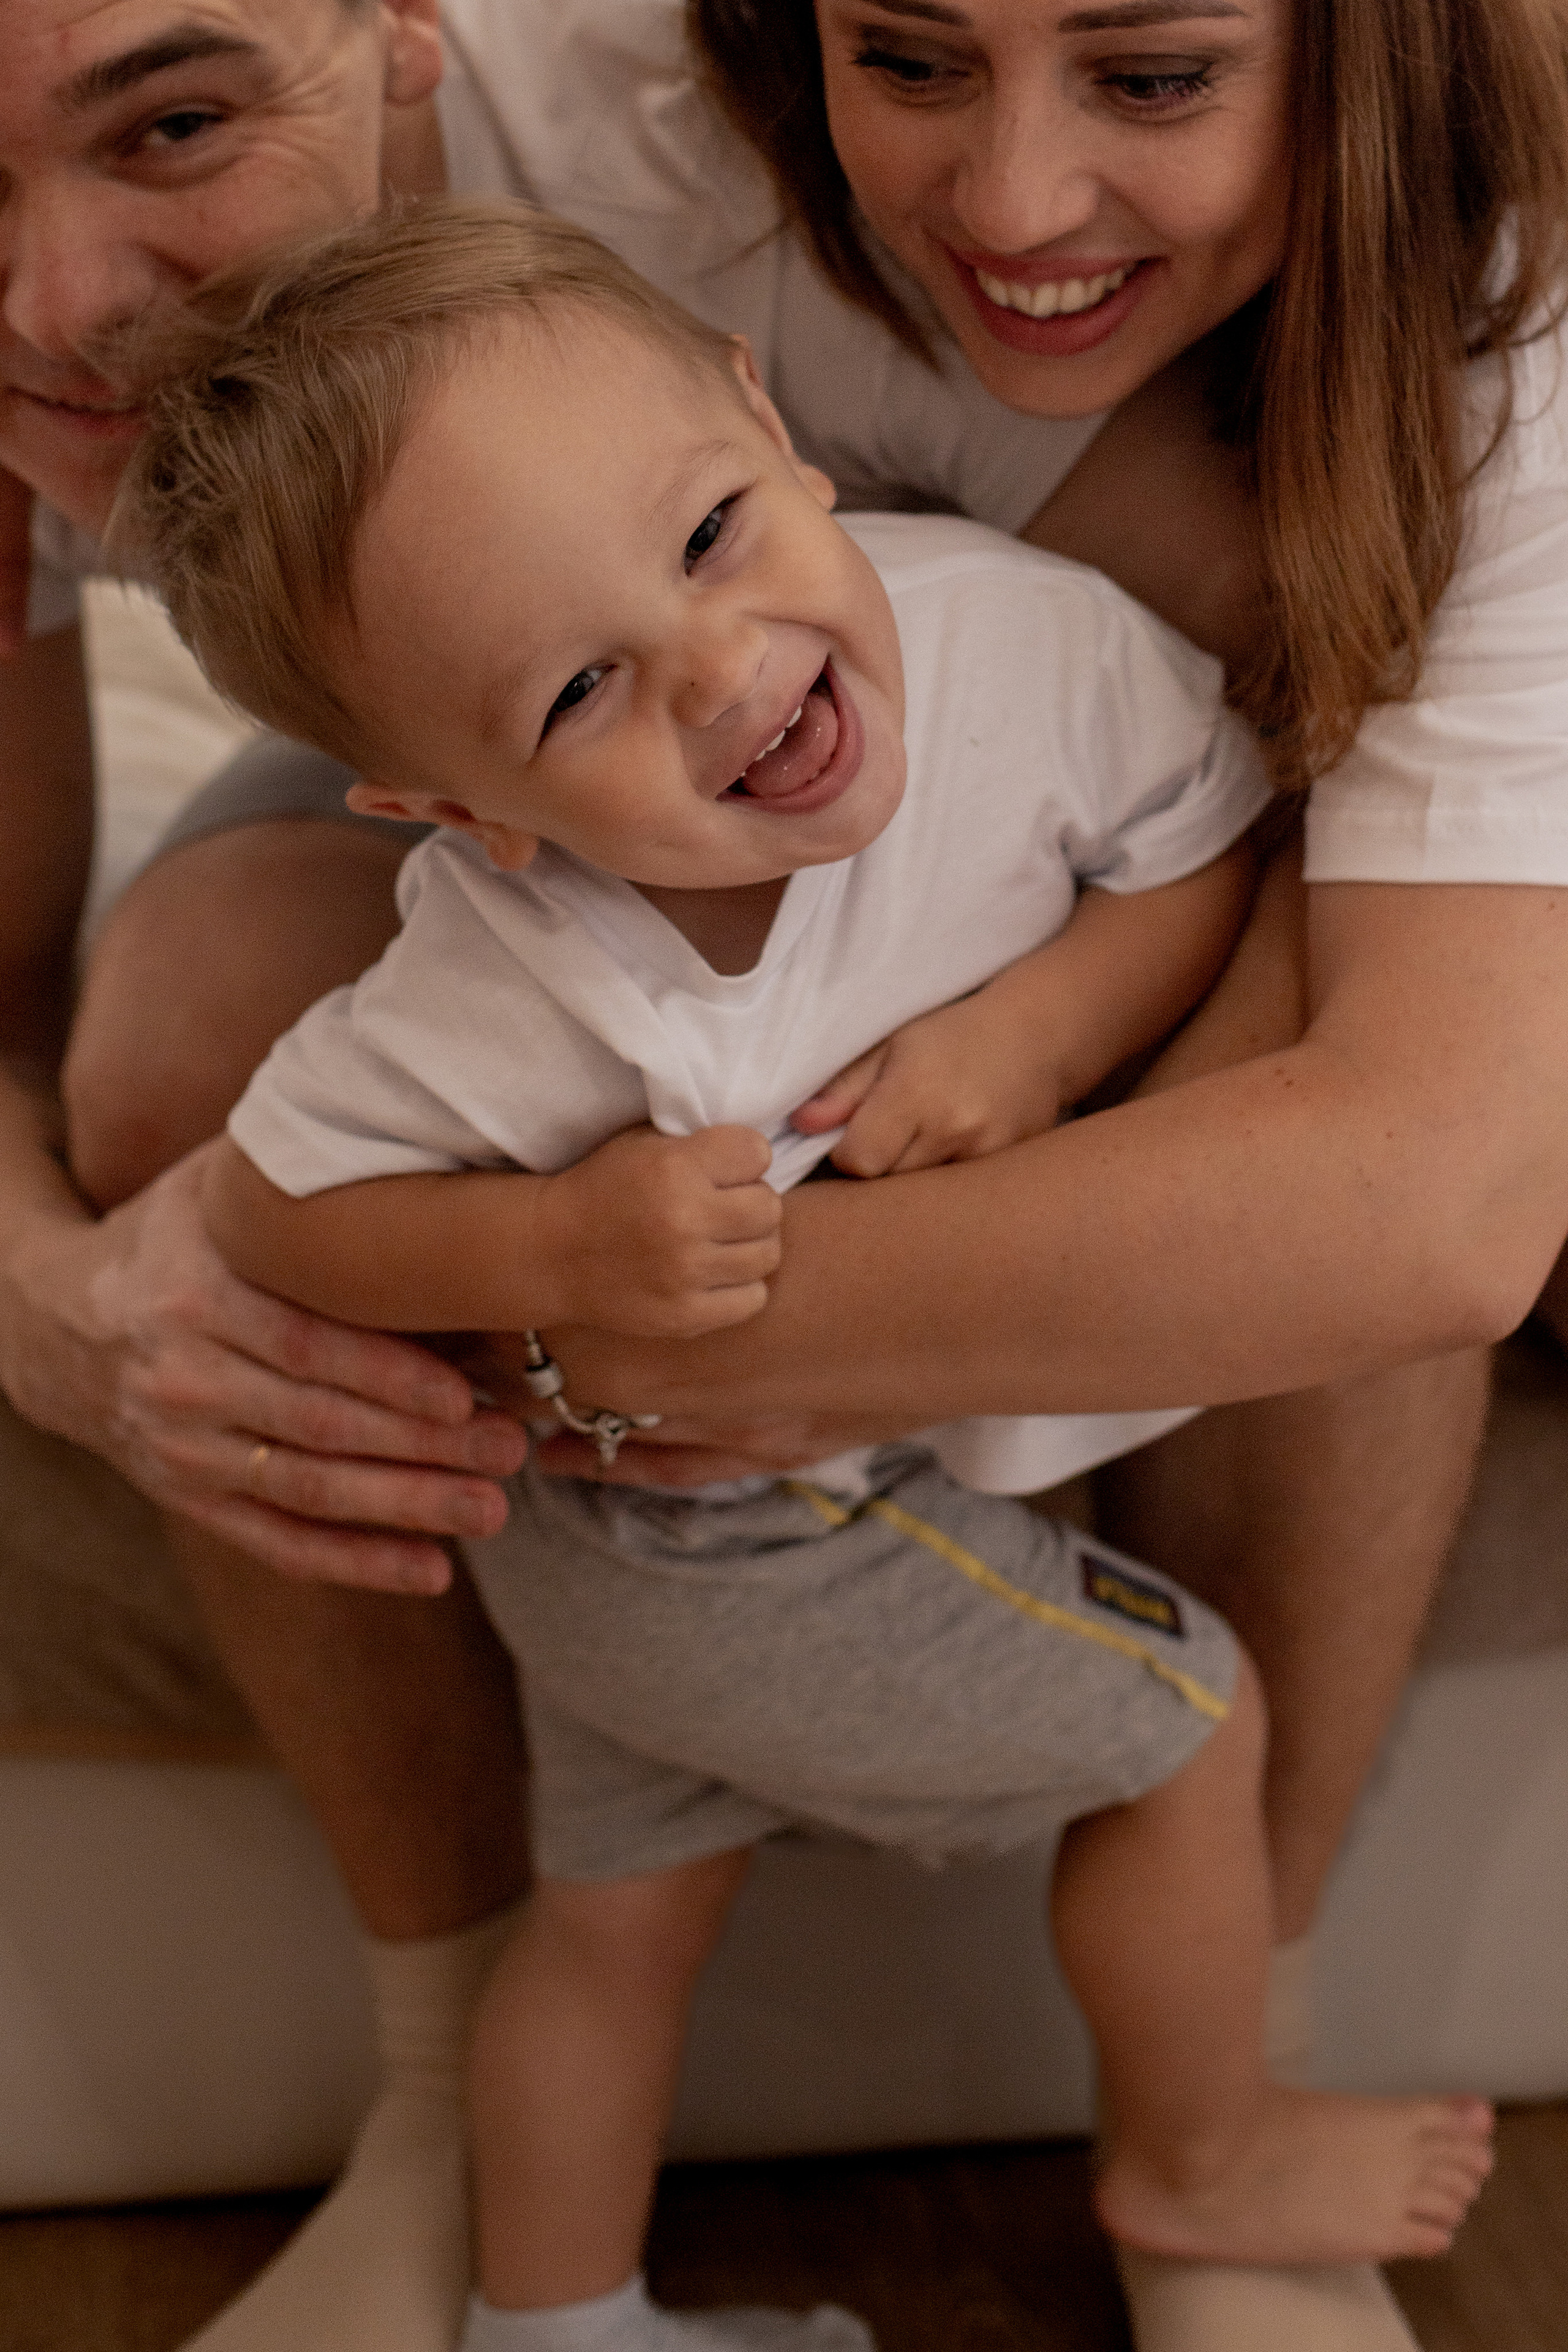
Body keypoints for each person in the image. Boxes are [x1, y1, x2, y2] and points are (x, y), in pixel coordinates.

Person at [0, 1, 1557, 2347]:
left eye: (182, 124)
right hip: (626, 1087)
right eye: (913, 57)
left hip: (1041, 907)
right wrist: (64, 1301)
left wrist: (692, 1316)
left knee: (1353, 1071)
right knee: (184, 1021)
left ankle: (1237, 2121)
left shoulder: (1346, 375)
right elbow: (225, 1161)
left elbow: (1409, 1147)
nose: (55, 301)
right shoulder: (471, 832)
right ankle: (453, 2107)